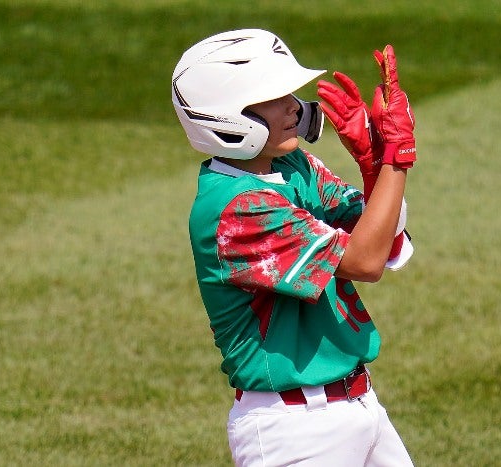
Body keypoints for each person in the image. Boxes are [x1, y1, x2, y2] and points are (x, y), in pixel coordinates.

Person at [171, 28, 417, 466]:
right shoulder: (235, 208)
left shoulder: (292, 166)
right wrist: (395, 159)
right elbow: (366, 261)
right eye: (272, 97)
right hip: (295, 431)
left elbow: (387, 238)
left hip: (360, 407)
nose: (293, 106)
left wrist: (374, 164)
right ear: (226, 114)